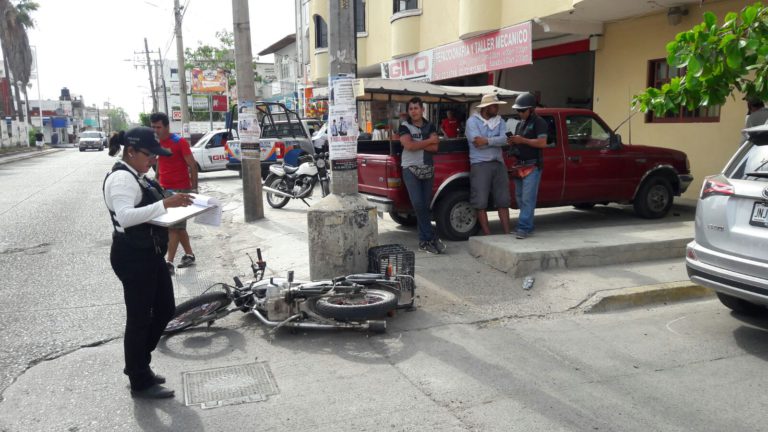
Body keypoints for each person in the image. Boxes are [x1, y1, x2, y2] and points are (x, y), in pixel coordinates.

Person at [103, 126, 194, 399]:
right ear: (130, 151)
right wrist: (166, 205)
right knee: (139, 319)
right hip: (133, 256)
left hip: (150, 252)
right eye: (149, 154)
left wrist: (177, 204)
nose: (153, 160)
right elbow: (127, 216)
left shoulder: (138, 176)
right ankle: (139, 378)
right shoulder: (122, 179)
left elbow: (147, 212)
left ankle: (138, 364)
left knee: (165, 309)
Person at [150, 112, 198, 274]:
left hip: (180, 190)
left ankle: (168, 263)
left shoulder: (179, 142)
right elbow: (160, 163)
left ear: (166, 126)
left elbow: (192, 165)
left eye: (158, 127)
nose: (155, 130)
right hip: (164, 190)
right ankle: (189, 255)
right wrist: (156, 179)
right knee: (179, 227)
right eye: (153, 127)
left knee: (173, 227)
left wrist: (194, 189)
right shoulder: (157, 143)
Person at [399, 96, 445, 254]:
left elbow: (435, 149)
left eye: (416, 108)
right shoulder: (404, 126)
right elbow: (409, 146)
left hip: (427, 168)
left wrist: (419, 144)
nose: (413, 111)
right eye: (411, 109)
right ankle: (430, 238)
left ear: (422, 109)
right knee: (418, 204)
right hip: (410, 168)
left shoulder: (430, 125)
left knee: (425, 206)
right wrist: (428, 141)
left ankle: (425, 240)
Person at [465, 93, 512, 236]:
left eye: (497, 105)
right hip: (480, 164)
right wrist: (495, 141)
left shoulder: (500, 121)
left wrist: (487, 141)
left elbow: (506, 140)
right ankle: (487, 235)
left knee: (503, 200)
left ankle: (507, 233)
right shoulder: (472, 121)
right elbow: (477, 143)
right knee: (481, 201)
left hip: (498, 163)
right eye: (494, 105)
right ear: (485, 107)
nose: (497, 108)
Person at [508, 92, 548, 239]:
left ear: (531, 109)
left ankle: (524, 227)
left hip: (533, 166)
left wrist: (522, 140)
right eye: (518, 110)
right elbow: (520, 142)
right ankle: (526, 226)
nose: (519, 113)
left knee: (527, 198)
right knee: (519, 197)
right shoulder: (520, 124)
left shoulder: (540, 123)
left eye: (522, 110)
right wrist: (513, 143)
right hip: (520, 165)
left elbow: (542, 143)